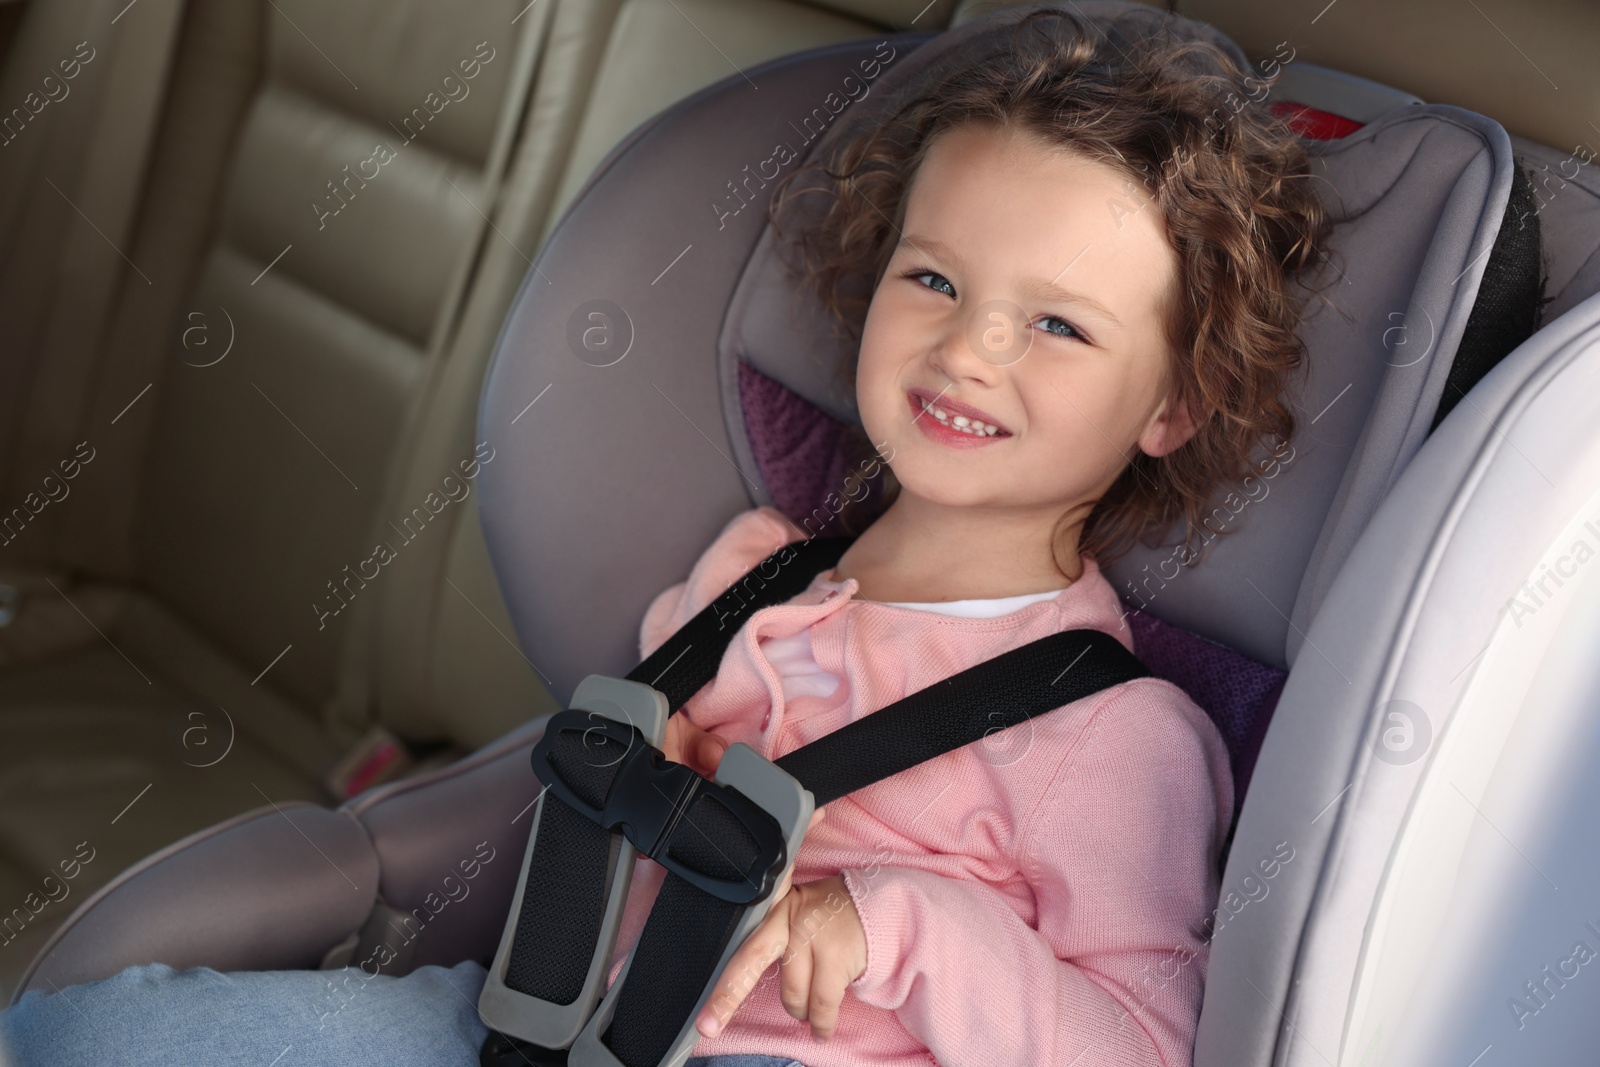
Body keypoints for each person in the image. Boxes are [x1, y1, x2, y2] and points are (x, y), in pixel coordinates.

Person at [0, 5, 1329, 1065]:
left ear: (1173, 404)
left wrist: (909, 925)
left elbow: (1144, 1047)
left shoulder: (1111, 737)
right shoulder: (754, 567)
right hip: (549, 1015)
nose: (970, 346)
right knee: (93, 1035)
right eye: (932, 277)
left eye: (1058, 324)